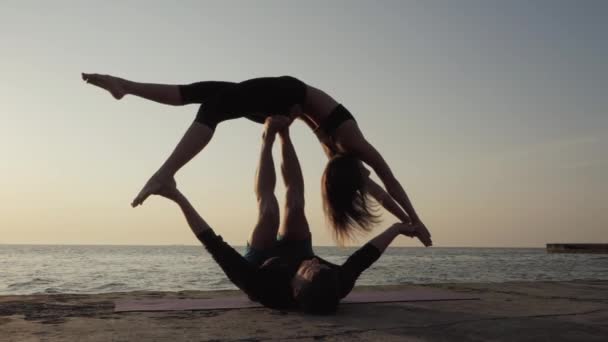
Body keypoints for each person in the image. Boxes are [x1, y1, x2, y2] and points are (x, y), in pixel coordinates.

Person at [82, 73, 431, 245]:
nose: (366, 177)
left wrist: (412, 226)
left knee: (210, 99)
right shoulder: (351, 145)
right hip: (286, 94)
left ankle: (126, 90)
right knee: (211, 100)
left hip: (282, 101)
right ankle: (160, 167)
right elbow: (389, 185)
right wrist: (415, 220)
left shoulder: (342, 158)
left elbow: (380, 192)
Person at [151, 116, 432, 313]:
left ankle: (267, 137)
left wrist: (178, 198)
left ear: (296, 290)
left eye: (310, 270)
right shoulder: (337, 283)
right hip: (294, 247)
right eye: (320, 265)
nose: (313, 263)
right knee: (295, 203)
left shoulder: (261, 287)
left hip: (262, 259)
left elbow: (215, 245)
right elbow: (366, 256)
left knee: (269, 211)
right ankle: (284, 133)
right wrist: (398, 228)